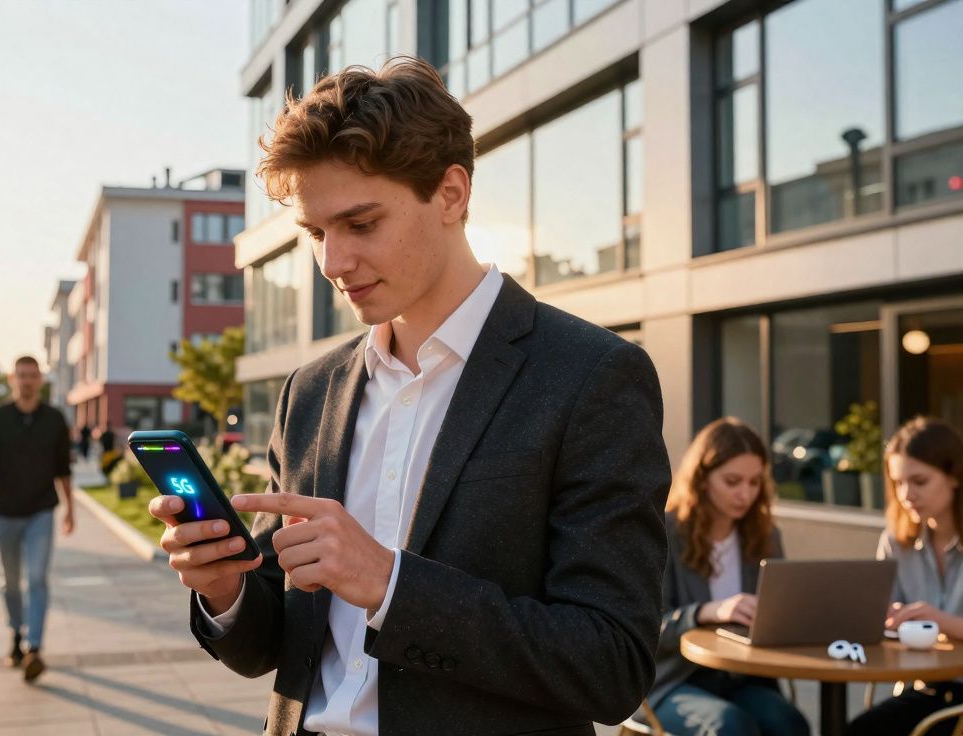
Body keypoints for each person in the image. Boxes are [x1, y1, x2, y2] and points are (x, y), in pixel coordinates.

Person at [148, 57, 671, 735]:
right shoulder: (310, 394)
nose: (333, 263)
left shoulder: (592, 378)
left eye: (360, 224)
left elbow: (611, 666)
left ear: (451, 194)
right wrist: (225, 591)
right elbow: (277, 645)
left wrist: (392, 586)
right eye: (315, 233)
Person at [651, 418, 810, 736]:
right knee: (732, 727)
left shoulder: (765, 536)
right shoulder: (664, 533)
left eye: (754, 483)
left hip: (743, 676)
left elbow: (778, 613)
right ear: (702, 478)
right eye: (732, 481)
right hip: (675, 680)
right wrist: (704, 613)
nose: (745, 494)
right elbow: (645, 628)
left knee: (791, 724)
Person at [848, 417, 963, 736]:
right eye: (898, 483)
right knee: (860, 731)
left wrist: (937, 620)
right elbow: (883, 620)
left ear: (954, 476)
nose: (906, 494)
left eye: (919, 481)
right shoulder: (897, 541)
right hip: (930, 687)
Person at [0, 355, 75, 682]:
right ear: (12, 380)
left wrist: (71, 509)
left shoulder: (55, 419)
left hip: (42, 511)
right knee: (9, 583)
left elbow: (64, 470)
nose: (27, 381)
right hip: (4, 512)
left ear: (40, 380)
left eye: (32, 375)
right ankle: (16, 634)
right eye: (21, 376)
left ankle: (34, 648)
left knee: (38, 579)